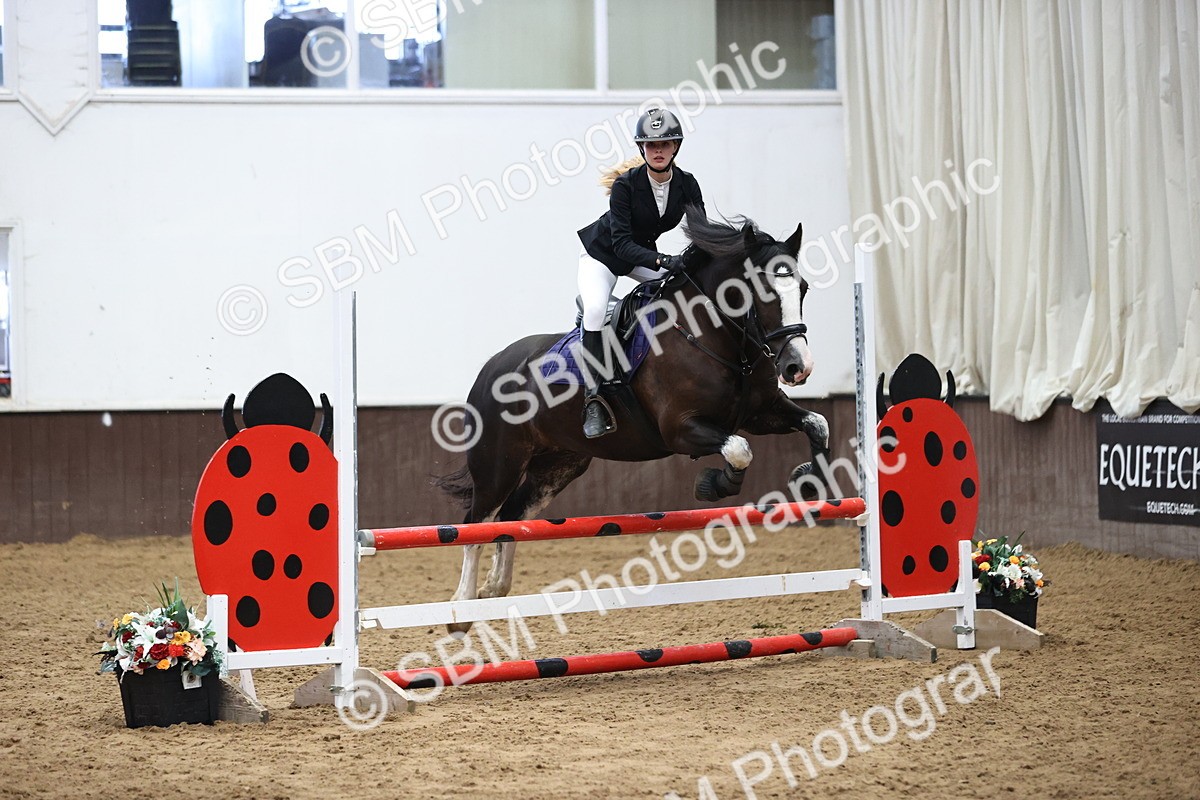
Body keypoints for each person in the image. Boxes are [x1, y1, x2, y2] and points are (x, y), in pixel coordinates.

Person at [575, 107, 706, 438]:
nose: (658, 151)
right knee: (594, 310)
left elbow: (703, 233)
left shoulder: (688, 185)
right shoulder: (625, 186)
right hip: (602, 255)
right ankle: (595, 399)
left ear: (676, 147)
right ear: (641, 149)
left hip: (641, 257)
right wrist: (663, 261)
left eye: (664, 144)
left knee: (684, 290)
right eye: (650, 145)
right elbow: (620, 245)